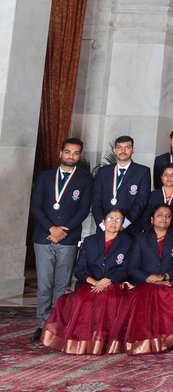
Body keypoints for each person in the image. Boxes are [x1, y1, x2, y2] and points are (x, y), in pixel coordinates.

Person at [40, 207, 132, 354]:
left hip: (113, 283)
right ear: (103, 222)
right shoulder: (90, 241)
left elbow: (127, 268)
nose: (113, 222)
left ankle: (102, 341)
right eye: (110, 219)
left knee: (106, 299)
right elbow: (79, 268)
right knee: (84, 300)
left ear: (122, 225)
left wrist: (107, 280)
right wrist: (94, 282)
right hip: (90, 283)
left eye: (117, 220)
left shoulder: (128, 242)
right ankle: (81, 340)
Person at [30, 137, 93, 343]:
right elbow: (36, 205)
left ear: (79, 155)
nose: (71, 156)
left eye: (75, 153)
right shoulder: (46, 177)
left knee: (62, 284)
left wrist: (64, 230)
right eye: (67, 152)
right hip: (44, 236)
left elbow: (84, 209)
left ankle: (58, 324)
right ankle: (42, 323)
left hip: (68, 238)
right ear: (60, 153)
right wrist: (51, 228)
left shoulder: (85, 180)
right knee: (44, 283)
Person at [118, 203, 173, 353]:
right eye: (160, 215)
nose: (164, 218)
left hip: (170, 282)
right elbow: (132, 267)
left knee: (168, 296)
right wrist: (148, 277)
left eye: (168, 216)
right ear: (152, 219)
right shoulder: (140, 238)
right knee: (145, 298)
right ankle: (145, 340)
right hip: (146, 282)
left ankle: (168, 340)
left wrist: (165, 277)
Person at [92, 135, 152, 229]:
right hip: (104, 228)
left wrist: (124, 224)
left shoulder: (143, 172)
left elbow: (141, 201)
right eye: (119, 147)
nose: (123, 151)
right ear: (114, 151)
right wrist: (102, 225)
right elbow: (96, 200)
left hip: (129, 228)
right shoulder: (103, 172)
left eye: (127, 147)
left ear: (133, 150)